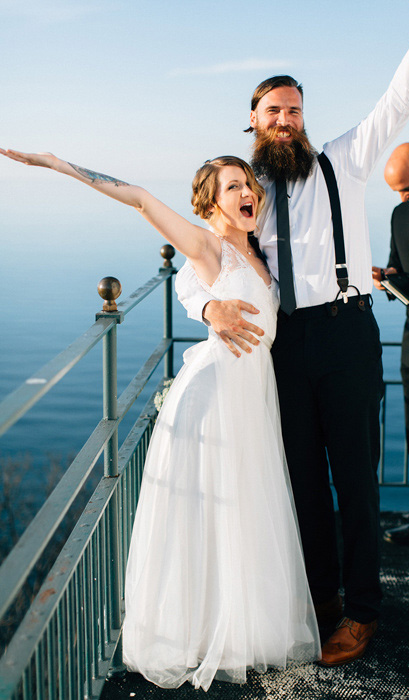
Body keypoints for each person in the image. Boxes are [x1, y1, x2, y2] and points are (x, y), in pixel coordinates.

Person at [176, 0, 409, 666]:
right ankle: (319, 600)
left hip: (346, 336)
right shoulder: (244, 190)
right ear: (254, 122)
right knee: (300, 482)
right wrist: (207, 311)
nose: (286, 120)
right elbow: (197, 264)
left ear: (303, 118)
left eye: (294, 110)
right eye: (273, 112)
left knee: (353, 481)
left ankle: (361, 614)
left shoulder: (344, 161)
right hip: (283, 348)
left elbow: (401, 94)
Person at [0, 148, 320, 689]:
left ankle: (242, 625)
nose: (245, 193)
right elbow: (143, 201)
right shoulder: (207, 247)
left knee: (244, 507)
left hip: (252, 395)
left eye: (248, 185)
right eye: (231, 187)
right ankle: (197, 631)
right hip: (216, 395)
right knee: (210, 510)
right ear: (212, 204)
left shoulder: (262, 256)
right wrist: (62, 166)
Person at [372, 143, 409, 545]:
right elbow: (401, 265)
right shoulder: (399, 214)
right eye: (397, 192)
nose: (403, 198)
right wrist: (388, 278)